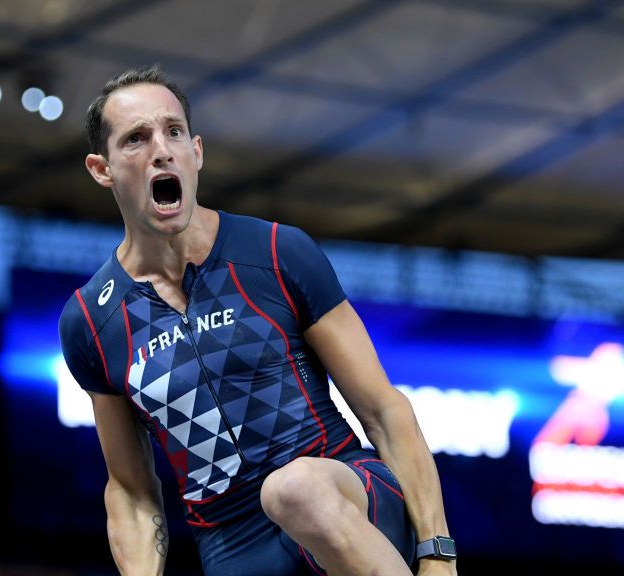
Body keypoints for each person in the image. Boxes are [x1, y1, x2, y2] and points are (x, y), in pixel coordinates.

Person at [59, 64, 457, 576]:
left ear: (195, 152)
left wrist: (438, 553)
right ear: (102, 168)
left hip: (346, 497)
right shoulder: (91, 320)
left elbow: (383, 409)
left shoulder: (276, 251)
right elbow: (133, 492)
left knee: (293, 490)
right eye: (136, 138)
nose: (161, 149)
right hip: (234, 548)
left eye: (173, 131)